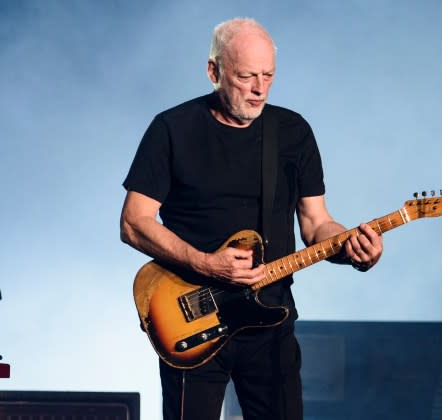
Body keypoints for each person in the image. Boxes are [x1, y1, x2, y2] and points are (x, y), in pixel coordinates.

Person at [120, 17, 383, 420]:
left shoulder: (293, 132)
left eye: (268, 76)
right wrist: (205, 263)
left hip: (270, 321)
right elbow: (134, 221)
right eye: (246, 77)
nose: (259, 89)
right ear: (214, 71)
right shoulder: (172, 129)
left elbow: (316, 224)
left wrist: (352, 248)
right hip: (194, 320)